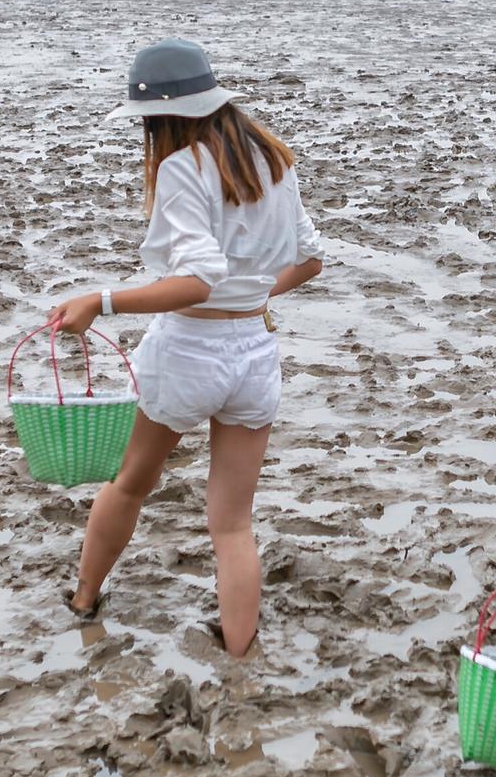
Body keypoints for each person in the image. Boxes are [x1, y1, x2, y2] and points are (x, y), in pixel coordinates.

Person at [46, 39, 325, 657]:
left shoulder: (181, 167)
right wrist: (251, 297)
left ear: (165, 116)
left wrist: (102, 301)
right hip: (255, 353)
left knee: (128, 483)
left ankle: (85, 598)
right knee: (232, 524)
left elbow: (196, 280)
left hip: (188, 352)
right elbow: (309, 261)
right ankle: (240, 659)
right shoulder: (273, 159)